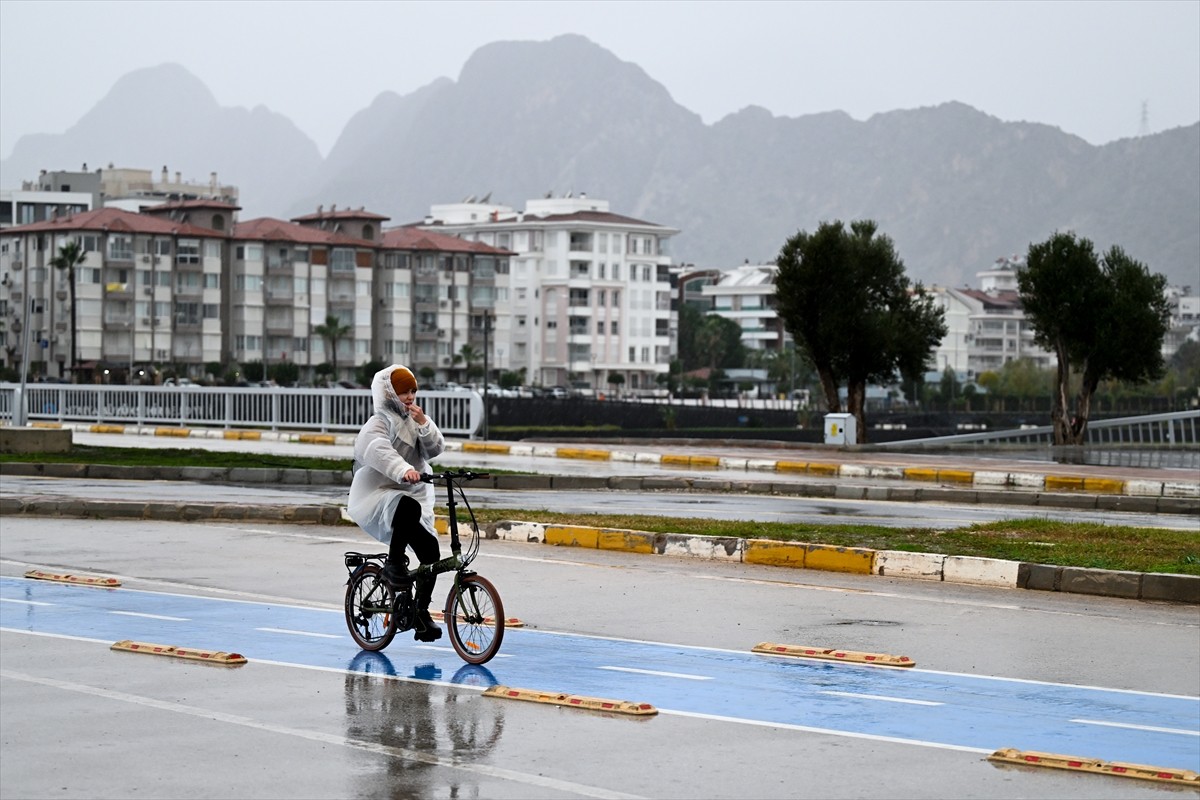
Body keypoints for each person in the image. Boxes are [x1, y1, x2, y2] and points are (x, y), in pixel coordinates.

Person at [347, 365, 446, 641]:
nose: (410, 396)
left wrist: (425, 424)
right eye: (404, 391)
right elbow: (377, 450)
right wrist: (403, 470)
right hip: (379, 491)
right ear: (390, 393)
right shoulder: (379, 422)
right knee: (407, 508)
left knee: (431, 554)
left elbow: (435, 449)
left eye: (413, 390)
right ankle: (393, 563)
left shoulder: (414, 417)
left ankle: (420, 613)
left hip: (412, 492)